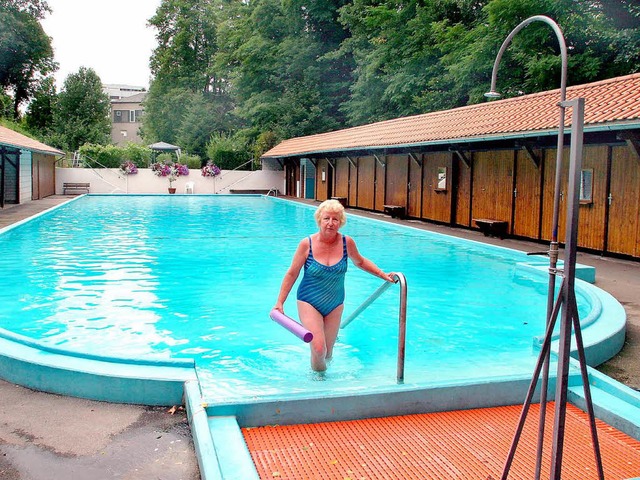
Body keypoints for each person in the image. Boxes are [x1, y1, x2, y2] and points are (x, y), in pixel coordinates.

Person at [274, 199, 395, 372]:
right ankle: (318, 383)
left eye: (335, 219)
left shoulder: (347, 243)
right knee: (318, 349)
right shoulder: (306, 244)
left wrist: (383, 274)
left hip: (335, 303)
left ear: (341, 222)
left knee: (328, 353)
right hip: (309, 301)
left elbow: (360, 262)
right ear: (319, 220)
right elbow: (292, 273)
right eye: (326, 218)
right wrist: (280, 302)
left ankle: (324, 377)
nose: (331, 223)